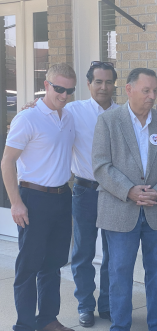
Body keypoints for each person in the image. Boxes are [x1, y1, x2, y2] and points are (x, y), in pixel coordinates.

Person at [21, 61, 119, 327]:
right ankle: (85, 306)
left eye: (109, 81)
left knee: (113, 254)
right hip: (84, 191)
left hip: (116, 195)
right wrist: (31, 105)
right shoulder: (72, 110)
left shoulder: (123, 114)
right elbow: (47, 109)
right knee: (83, 253)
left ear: (114, 85)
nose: (103, 86)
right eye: (98, 81)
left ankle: (108, 305)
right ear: (88, 85)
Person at [92, 68, 157, 331]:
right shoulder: (109, 121)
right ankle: (120, 326)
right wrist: (129, 190)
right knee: (120, 274)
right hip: (120, 210)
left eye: (155, 90)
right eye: (146, 90)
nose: (152, 96)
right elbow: (100, 166)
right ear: (129, 89)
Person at [1, 63, 77, 331]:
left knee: (53, 264)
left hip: (61, 197)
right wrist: (16, 203)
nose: (64, 95)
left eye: (69, 90)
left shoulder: (68, 117)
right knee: (29, 266)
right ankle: (23, 325)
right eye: (59, 88)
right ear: (46, 85)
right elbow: (7, 162)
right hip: (33, 198)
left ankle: (47, 320)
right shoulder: (28, 118)